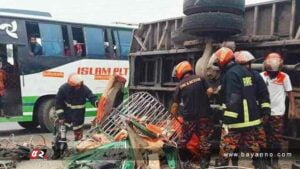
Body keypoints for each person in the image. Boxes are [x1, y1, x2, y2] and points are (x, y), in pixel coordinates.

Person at [210, 47, 262, 167]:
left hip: (236, 121)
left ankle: (222, 167)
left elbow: (234, 97)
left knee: (225, 150)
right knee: (254, 148)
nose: (218, 66)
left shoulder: (231, 74)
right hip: (249, 120)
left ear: (223, 60)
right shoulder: (243, 71)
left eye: (218, 63)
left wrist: (228, 119)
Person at [170, 61, 214, 168]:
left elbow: (175, 105)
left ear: (180, 72)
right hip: (204, 116)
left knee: (183, 141)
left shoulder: (180, 85)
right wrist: (204, 100)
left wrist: (173, 117)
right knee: (204, 140)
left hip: (189, 118)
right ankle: (205, 163)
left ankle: (185, 161)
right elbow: (210, 90)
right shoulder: (201, 78)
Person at [234, 51, 271, 168]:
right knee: (234, 143)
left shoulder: (256, 76)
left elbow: (264, 95)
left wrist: (265, 112)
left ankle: (260, 164)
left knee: (259, 143)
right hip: (238, 118)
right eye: (243, 65)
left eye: (247, 64)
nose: (246, 67)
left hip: (253, 117)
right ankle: (234, 164)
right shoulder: (234, 76)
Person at [260, 53, 296, 169]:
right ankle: (265, 161)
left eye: (275, 72)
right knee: (263, 138)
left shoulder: (284, 77)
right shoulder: (261, 77)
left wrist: (293, 108)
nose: (272, 74)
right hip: (264, 113)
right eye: (271, 72)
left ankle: (274, 161)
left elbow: (290, 94)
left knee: (276, 139)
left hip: (278, 113)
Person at [55, 73, 98, 141]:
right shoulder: (63, 89)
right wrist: (61, 116)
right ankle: (60, 146)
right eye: (76, 86)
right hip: (66, 116)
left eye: (79, 85)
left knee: (79, 138)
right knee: (61, 136)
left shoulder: (84, 88)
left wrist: (97, 103)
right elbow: (58, 103)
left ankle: (78, 148)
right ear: (70, 85)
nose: (78, 87)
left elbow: (91, 97)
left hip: (78, 116)